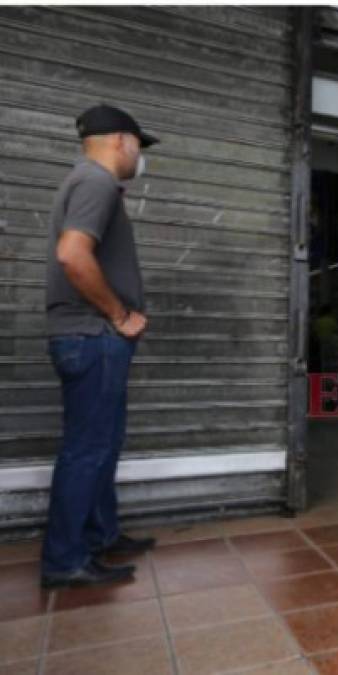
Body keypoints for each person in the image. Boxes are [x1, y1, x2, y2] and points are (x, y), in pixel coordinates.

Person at [41, 104, 158, 588]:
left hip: (93, 339)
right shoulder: (95, 182)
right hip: (92, 336)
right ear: (119, 141)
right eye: (138, 144)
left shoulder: (92, 183)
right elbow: (72, 255)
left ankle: (100, 534)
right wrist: (119, 314)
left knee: (102, 444)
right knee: (87, 449)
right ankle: (65, 560)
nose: (139, 155)